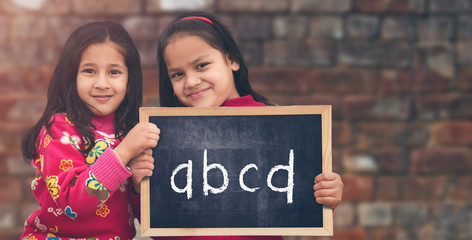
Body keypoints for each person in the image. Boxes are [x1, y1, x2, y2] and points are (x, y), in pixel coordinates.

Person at [154, 12, 343, 240]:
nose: (191, 81)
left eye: (201, 65)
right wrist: (141, 186)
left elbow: (301, 206)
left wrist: (327, 196)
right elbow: (159, 226)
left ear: (232, 60)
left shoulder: (275, 125)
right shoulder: (166, 139)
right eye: (177, 74)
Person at [20, 21, 159, 239]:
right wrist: (124, 153)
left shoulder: (129, 132)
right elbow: (73, 204)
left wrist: (139, 186)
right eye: (89, 71)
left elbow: (148, 221)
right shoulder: (59, 130)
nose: (102, 83)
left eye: (114, 72)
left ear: (130, 80)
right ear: (71, 76)